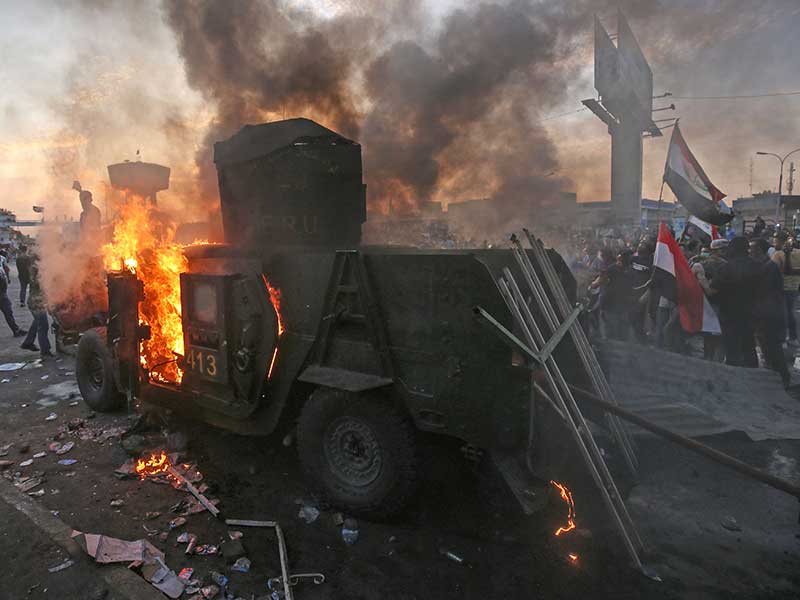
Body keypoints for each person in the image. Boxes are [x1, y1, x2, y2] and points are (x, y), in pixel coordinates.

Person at [712, 236, 761, 367]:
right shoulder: (758, 266)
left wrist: (701, 278)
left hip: (729, 314)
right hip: (751, 313)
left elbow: (713, 290)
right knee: (749, 346)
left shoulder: (726, 268)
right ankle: (753, 374)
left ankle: (734, 376)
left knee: (732, 349)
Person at [749, 237, 790, 387]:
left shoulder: (766, 267)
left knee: (772, 346)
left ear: (759, 249)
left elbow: (763, 291)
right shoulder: (766, 265)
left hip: (768, 313)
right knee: (767, 346)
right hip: (768, 311)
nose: (749, 251)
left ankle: (782, 377)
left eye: (751, 248)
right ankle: (778, 376)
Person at [20, 254, 52, 358]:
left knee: (37, 323)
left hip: (36, 301)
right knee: (43, 326)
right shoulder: (36, 270)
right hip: (36, 303)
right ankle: (45, 351)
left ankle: (28, 343)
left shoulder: (34, 269)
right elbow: (40, 285)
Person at [770, 236, 800, 345]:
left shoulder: (777, 254)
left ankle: (782, 338)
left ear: (782, 242)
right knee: (790, 312)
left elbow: (775, 271)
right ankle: (793, 338)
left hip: (780, 288)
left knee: (782, 314)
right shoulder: (799, 253)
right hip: (794, 287)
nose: (774, 244)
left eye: (775, 242)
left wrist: (787, 259)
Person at [0, 257, 26, 338]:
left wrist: (7, 278)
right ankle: (16, 330)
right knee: (8, 311)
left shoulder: (1, 258)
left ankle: (16, 330)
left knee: (8, 312)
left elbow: (5, 270)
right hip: (2, 294)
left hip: (2, 293)